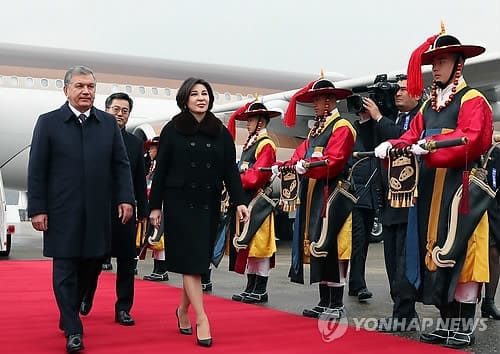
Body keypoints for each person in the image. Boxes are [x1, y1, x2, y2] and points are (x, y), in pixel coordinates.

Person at [374, 28, 493, 348]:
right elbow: (411, 136)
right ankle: (446, 319)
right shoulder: (429, 107)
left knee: (463, 253)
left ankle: (464, 324)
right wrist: (393, 145)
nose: (435, 68)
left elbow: (472, 138)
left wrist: (432, 145)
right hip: (430, 189)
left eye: (442, 61)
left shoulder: (472, 100)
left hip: (461, 190)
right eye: (434, 62)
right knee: (434, 252)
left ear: (459, 64)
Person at [27, 66, 134, 352]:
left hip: (99, 211)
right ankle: (74, 328)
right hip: (61, 212)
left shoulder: (108, 124)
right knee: (64, 269)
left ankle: (70, 311)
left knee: (91, 265)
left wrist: (126, 199)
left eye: (90, 86)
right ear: (66, 90)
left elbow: (120, 165)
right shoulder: (48, 123)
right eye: (79, 86)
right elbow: (37, 168)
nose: (86, 91)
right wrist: (37, 209)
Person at [148, 77, 249, 347]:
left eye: (205, 94)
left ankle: (182, 310)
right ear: (185, 99)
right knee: (192, 263)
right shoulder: (172, 129)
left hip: (208, 202)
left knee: (197, 263)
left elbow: (230, 169)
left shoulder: (220, 131)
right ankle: (202, 318)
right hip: (180, 202)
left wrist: (240, 201)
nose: (201, 98)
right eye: (195, 94)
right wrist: (154, 206)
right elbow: (161, 172)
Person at [278, 78, 356, 319]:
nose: (314, 104)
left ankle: (336, 302)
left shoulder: (342, 126)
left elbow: (334, 161)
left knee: (333, 244)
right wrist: (287, 165)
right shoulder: (316, 129)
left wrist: (306, 166)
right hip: (316, 192)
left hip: (333, 193)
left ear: (331, 100)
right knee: (319, 243)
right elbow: (301, 154)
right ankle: (324, 300)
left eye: (318, 99)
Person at [359, 75, 422, 331]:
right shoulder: (394, 117)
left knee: (403, 258)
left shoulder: (419, 116)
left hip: (409, 199)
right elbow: (374, 145)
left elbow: (405, 139)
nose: (398, 94)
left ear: (418, 94)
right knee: (390, 257)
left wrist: (378, 118)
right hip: (389, 197)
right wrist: (366, 121)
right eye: (397, 89)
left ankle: (405, 313)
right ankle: (401, 311)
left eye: (405, 90)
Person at [79, 92, 148, 326]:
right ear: (106, 110)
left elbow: (140, 180)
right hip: (98, 211)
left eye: (124, 111)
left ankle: (123, 309)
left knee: (128, 263)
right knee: (94, 260)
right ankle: (86, 296)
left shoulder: (136, 144)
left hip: (126, 212)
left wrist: (144, 212)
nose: (120, 114)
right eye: (115, 109)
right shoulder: (91, 137)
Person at [226, 101, 279, 303]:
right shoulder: (251, 143)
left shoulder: (266, 144)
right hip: (248, 200)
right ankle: (251, 287)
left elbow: (256, 177)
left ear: (261, 122)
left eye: (251, 120)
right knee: (249, 245)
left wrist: (234, 179)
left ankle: (260, 289)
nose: (247, 123)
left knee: (260, 246)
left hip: (259, 202)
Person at [347, 111, 378, 302]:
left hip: (371, 192)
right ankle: (357, 284)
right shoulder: (352, 130)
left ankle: (356, 282)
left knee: (364, 240)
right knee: (358, 240)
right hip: (356, 193)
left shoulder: (373, 130)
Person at [142, 137, 169, 282]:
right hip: (153, 202)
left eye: (153, 148)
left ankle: (162, 269)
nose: (150, 151)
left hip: (162, 204)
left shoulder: (162, 166)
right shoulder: (154, 165)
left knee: (159, 237)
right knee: (154, 236)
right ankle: (157, 268)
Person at [483, 145, 500, 320]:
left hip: (492, 210)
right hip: (469, 208)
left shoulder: (495, 152)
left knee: (494, 254)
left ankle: (489, 302)